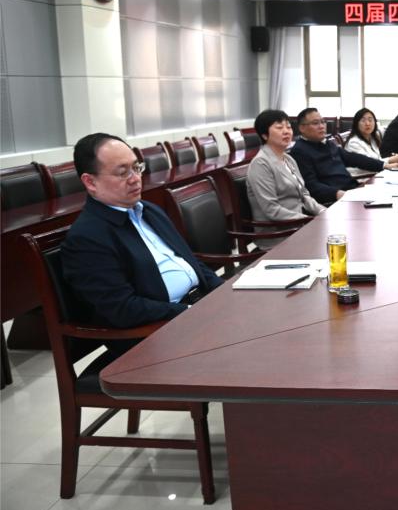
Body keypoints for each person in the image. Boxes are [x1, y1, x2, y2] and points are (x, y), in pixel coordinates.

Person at [61, 133, 223, 358]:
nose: (135, 178)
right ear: (90, 182)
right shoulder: (87, 237)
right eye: (122, 173)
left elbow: (189, 261)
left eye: (137, 168)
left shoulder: (149, 211)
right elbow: (122, 309)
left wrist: (223, 291)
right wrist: (189, 312)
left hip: (193, 312)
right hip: (153, 336)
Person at [247, 109, 326, 248]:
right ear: (264, 135)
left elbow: (304, 194)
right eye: (279, 128)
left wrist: (322, 211)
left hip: (299, 227)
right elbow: (271, 209)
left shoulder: (288, 159)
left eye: (288, 127)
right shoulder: (260, 164)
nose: (286, 131)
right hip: (278, 235)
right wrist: (307, 220)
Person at [290, 108, 398, 205]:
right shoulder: (299, 151)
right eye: (315, 123)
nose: (322, 126)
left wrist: (383, 165)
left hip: (351, 191)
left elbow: (354, 158)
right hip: (334, 200)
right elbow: (310, 185)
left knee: (393, 197)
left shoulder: (327, 143)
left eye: (323, 122)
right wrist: (338, 193)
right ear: (302, 128)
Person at [344, 107, 398, 175]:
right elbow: (367, 163)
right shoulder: (354, 142)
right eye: (363, 120)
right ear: (356, 124)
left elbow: (376, 161)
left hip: (374, 175)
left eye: (370, 120)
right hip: (362, 178)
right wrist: (389, 161)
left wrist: (392, 159)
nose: (367, 123)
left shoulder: (372, 139)